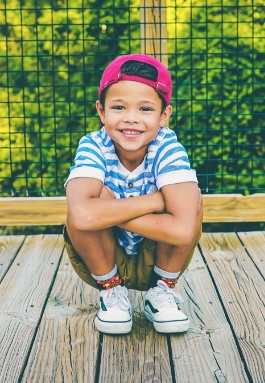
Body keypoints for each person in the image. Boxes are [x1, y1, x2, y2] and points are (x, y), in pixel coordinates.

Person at [64, 53, 203, 335]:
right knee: (89, 198)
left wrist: (105, 212)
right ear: (101, 112)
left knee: (191, 199)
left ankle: (162, 293)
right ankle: (112, 293)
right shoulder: (93, 145)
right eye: (118, 107)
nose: (131, 119)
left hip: (157, 252)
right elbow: (80, 216)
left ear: (164, 115)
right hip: (105, 256)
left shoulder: (168, 147)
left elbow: (183, 231)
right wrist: (154, 201)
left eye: (145, 109)